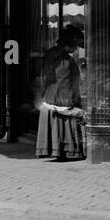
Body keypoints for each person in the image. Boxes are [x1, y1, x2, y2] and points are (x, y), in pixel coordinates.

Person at [36, 27, 85, 161]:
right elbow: (64, 82)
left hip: (51, 97)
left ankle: (56, 150)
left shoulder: (52, 54)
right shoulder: (64, 60)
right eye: (75, 46)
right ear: (69, 45)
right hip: (60, 99)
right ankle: (65, 149)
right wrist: (72, 101)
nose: (76, 50)